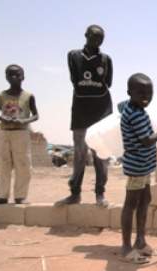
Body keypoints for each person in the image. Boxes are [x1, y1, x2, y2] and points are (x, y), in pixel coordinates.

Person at [119, 73, 157, 263]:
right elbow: (147, 140)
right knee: (131, 205)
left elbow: (121, 106)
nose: (146, 97)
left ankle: (140, 241)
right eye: (141, 92)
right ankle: (126, 247)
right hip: (136, 167)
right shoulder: (134, 114)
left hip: (143, 166)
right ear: (129, 92)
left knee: (145, 200)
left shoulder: (133, 108)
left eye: (149, 93)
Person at [55, 25, 113, 207]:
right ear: (86, 35)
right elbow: (75, 79)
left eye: (101, 38)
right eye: (94, 36)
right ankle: (75, 193)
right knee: (80, 153)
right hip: (81, 110)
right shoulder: (73, 55)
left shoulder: (106, 59)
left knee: (101, 154)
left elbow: (108, 83)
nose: (98, 40)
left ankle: (100, 194)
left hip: (102, 111)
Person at [0, 64, 39, 205]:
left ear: (23, 77)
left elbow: (35, 116)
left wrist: (23, 120)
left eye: (17, 74)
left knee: (22, 165)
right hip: (5, 133)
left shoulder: (28, 96)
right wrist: (2, 118)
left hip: (21, 133)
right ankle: (2, 196)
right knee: (4, 164)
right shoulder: (0, 96)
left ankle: (20, 196)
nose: (14, 77)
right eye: (10, 74)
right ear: (6, 77)